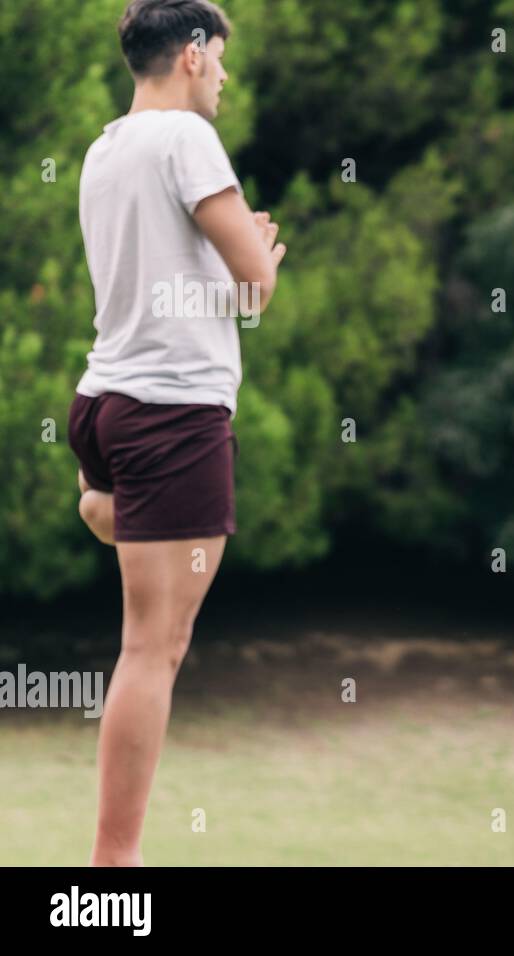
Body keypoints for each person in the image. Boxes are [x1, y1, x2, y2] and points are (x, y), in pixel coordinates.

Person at [68, 0, 286, 866]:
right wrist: (265, 254)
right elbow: (252, 284)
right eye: (221, 59)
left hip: (104, 404)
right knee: (152, 651)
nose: (225, 77)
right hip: (174, 413)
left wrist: (244, 277)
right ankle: (115, 863)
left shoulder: (104, 148)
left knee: (148, 627)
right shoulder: (187, 139)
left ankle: (105, 508)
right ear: (192, 54)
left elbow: (190, 288)